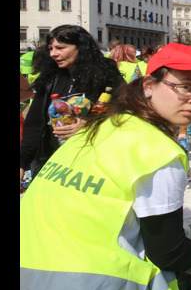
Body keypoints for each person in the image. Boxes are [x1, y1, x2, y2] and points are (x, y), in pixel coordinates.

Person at [19, 43, 191, 290]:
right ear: (149, 85)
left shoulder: (102, 128)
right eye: (185, 86)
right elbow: (167, 252)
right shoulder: (158, 152)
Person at [20, 25, 124, 188]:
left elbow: (125, 114)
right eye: (51, 48)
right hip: (51, 163)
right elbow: (34, 123)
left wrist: (90, 125)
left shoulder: (106, 77)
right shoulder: (49, 79)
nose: (54, 53)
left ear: (81, 48)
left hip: (90, 166)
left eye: (61, 48)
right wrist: (22, 162)